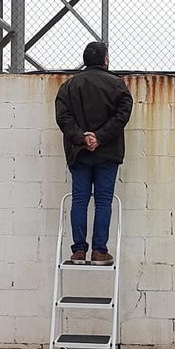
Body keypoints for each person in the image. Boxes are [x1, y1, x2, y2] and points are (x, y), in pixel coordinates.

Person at [54, 42, 134, 265]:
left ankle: (79, 251)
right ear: (105, 59)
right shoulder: (117, 86)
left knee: (79, 200)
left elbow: (63, 117)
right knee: (103, 200)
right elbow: (123, 113)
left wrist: (82, 138)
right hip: (108, 154)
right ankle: (100, 251)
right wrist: (100, 137)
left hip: (79, 153)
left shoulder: (68, 87)